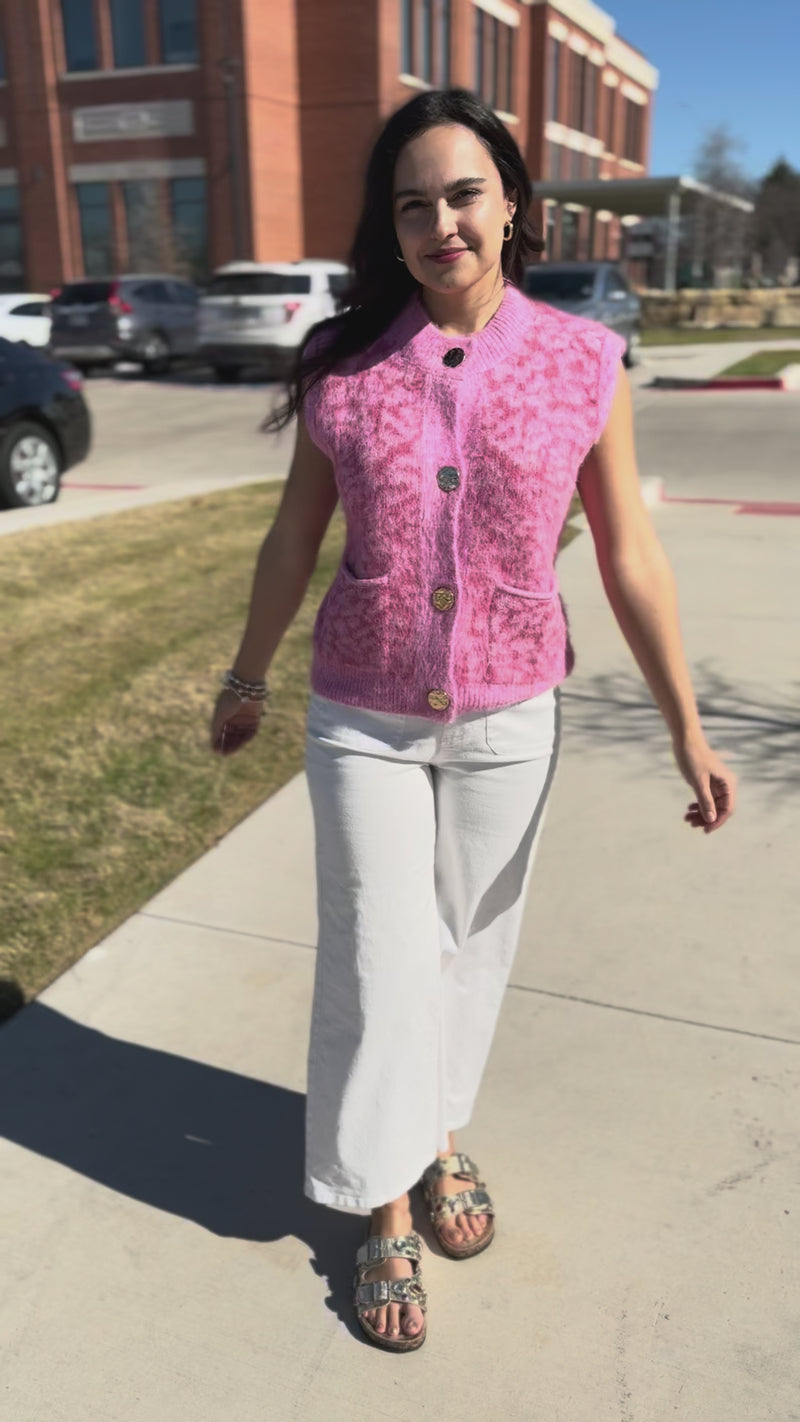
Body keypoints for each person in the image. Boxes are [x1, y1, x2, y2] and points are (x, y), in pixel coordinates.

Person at [209, 88, 737, 1353]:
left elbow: (630, 556)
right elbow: (295, 537)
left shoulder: (580, 359)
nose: (439, 219)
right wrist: (245, 673)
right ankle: (382, 1202)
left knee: (464, 953)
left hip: (510, 711)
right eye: (410, 203)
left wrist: (685, 724)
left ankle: (435, 1141)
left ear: (510, 204)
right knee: (379, 955)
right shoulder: (343, 362)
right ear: (387, 231)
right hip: (360, 713)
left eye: (461, 192)